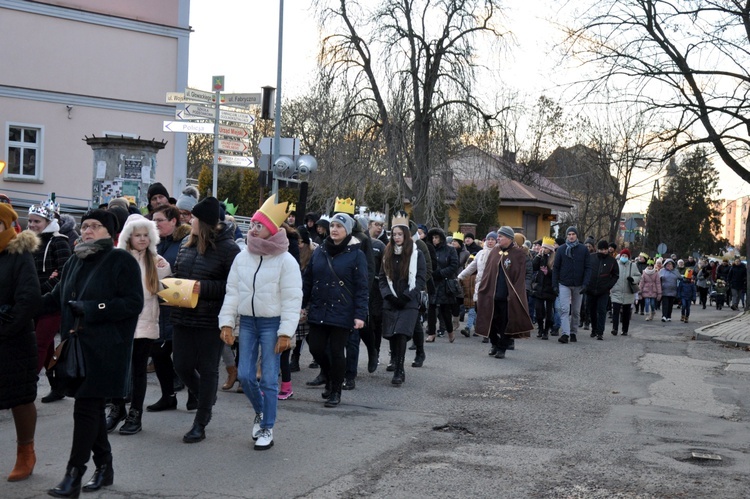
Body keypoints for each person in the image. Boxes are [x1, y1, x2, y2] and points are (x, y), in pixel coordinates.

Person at [42, 209, 143, 496]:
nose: (87, 231)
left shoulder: (121, 260)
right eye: (84, 226)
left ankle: (73, 475)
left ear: (110, 233)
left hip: (107, 350)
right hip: (78, 349)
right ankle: (105, 467)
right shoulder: (75, 259)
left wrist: (93, 308)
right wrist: (23, 305)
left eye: (94, 226)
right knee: (92, 410)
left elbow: (133, 303)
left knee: (84, 409)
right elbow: (55, 298)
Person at [218, 195, 303, 450]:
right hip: (248, 323)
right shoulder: (242, 257)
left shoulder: (286, 260)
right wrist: (226, 323)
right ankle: (261, 413)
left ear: (272, 229)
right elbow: (232, 291)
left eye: (258, 225)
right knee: (244, 375)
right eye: (252, 224)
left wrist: (286, 332)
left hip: (271, 324)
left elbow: (292, 298)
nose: (253, 229)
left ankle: (267, 426)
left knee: (268, 378)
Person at [170, 197, 240, 443]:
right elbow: (180, 273)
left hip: (211, 318)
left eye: (195, 218)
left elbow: (234, 286)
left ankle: (201, 420)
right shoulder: (186, 245)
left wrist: (204, 288)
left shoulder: (229, 249)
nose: (190, 221)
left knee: (209, 368)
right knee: (181, 364)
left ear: (206, 222)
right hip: (182, 314)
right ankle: (205, 396)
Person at [107, 215, 171, 435]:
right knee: (116, 369)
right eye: (138, 235)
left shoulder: (156, 260)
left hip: (145, 322)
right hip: (120, 322)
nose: (142, 239)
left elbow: (165, 287)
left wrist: (164, 271)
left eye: (146, 235)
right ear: (128, 236)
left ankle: (136, 413)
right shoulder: (117, 257)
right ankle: (117, 409)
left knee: (138, 370)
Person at [303, 213, 368, 408]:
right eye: (332, 225)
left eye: (339, 226)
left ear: (347, 230)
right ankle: (329, 377)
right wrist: (300, 304)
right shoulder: (319, 251)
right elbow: (308, 280)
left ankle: (336, 390)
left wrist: (359, 314)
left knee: (337, 351)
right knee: (316, 347)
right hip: (318, 308)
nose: (334, 229)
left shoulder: (356, 254)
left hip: (342, 310)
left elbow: (362, 287)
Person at [0, 203, 42, 482]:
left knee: (20, 399)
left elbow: (29, 299)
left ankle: (25, 452)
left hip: (12, 340)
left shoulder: (19, 252)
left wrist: (4, 328)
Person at [26, 199, 72, 403]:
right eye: (30, 222)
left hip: (52, 303)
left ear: (48, 221)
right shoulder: (27, 242)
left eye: (37, 221)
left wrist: (42, 289)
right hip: (31, 301)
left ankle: (26, 384)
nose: (33, 225)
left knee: (39, 344)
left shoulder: (58, 241)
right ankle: (58, 386)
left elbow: (63, 274)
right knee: (46, 349)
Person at [147, 205, 192, 412]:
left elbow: (189, 272)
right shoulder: (154, 243)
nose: (154, 225)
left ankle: (195, 395)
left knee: (186, 358)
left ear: (173, 221)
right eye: (153, 221)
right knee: (159, 354)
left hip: (178, 308)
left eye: (159, 221)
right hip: (157, 309)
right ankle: (168, 396)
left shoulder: (186, 242)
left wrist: (167, 275)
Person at [379, 213, 426, 385]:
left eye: (400, 234)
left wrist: (407, 295)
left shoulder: (416, 254)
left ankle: (399, 369)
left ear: (406, 235)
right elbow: (382, 278)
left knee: (401, 333)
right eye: (394, 234)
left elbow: (420, 278)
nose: (397, 237)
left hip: (409, 301)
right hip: (391, 300)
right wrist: (389, 295)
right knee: (391, 334)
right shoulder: (387, 253)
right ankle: (395, 360)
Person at [475, 226, 533, 358]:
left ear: (509, 238)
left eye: (501, 236)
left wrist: (515, 293)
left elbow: (519, 276)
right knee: (490, 321)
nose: (498, 239)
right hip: (491, 294)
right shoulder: (494, 252)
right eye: (498, 236)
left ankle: (502, 348)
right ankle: (494, 343)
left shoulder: (518, 254)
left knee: (505, 323)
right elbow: (487, 273)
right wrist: (483, 289)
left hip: (507, 296)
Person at [552, 226, 592, 344]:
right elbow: (556, 268)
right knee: (564, 309)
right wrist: (555, 284)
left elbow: (588, 267)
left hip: (578, 284)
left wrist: (585, 283)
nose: (571, 236)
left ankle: (573, 331)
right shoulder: (561, 249)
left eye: (573, 234)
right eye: (569, 234)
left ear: (576, 236)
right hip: (564, 283)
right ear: (566, 236)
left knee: (575, 311)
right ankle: (565, 333)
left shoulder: (583, 250)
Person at [426, 227, 459, 342]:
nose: (434, 240)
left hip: (445, 282)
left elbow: (454, 265)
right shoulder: (429, 249)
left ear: (441, 238)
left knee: (445, 309)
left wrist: (440, 273)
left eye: (436, 237)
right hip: (432, 282)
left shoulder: (450, 250)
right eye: (432, 238)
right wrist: (430, 274)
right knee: (431, 308)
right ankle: (431, 333)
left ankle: (450, 332)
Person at [585, 240, 619, 340]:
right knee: (591, 310)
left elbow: (615, 275)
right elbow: (586, 270)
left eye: (604, 249)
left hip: (603, 290)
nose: (603, 251)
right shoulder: (591, 258)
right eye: (601, 249)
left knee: (601, 311)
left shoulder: (612, 261)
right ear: (597, 249)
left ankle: (600, 332)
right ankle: (594, 329)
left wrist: (609, 286)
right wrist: (586, 284)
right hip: (590, 289)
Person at [609, 249, 641, 336]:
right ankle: (614, 328)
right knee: (615, 311)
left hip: (628, 292)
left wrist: (633, 279)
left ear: (629, 257)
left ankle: (625, 329)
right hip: (616, 291)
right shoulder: (615, 264)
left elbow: (638, 276)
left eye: (626, 256)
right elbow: (610, 275)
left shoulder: (633, 265)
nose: (624, 257)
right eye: (623, 256)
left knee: (626, 313)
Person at [531, 237, 557, 340]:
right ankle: (540, 329)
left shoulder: (554, 258)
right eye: (543, 247)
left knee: (549, 311)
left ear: (550, 249)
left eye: (545, 247)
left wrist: (548, 272)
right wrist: (538, 256)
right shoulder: (541, 257)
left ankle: (546, 331)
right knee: (538, 310)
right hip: (540, 287)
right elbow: (534, 267)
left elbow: (557, 273)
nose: (543, 249)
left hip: (550, 288)